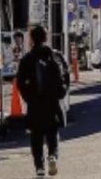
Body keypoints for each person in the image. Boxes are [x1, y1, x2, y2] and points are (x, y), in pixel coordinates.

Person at [16, 25, 66, 177]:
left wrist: (28, 97)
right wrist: (60, 93)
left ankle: (39, 167)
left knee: (36, 137)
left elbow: (20, 81)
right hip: (51, 102)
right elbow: (62, 78)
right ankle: (52, 155)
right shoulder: (53, 56)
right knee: (52, 133)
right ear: (46, 38)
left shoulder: (27, 59)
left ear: (31, 39)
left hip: (35, 103)